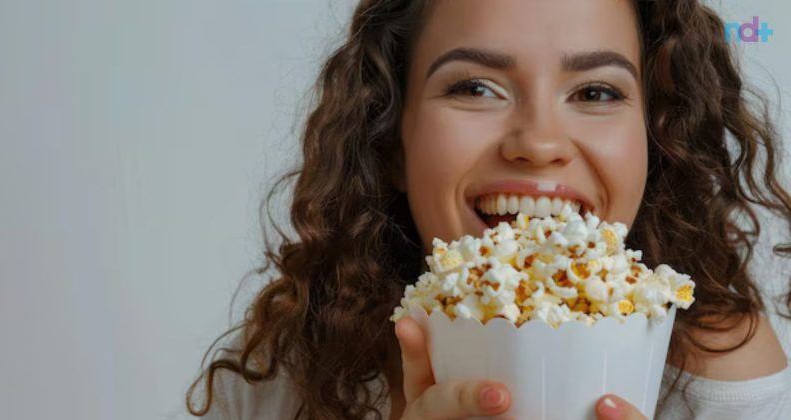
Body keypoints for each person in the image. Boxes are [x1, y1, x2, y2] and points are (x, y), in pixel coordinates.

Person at [186, 0, 791, 418]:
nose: (538, 143)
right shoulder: (289, 373)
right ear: (390, 139)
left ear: (656, 140)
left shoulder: (721, 384)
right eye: (475, 87)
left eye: (596, 92)